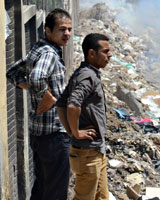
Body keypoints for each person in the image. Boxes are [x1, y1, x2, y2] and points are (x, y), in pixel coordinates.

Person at [6, 8, 72, 200]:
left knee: (42, 188)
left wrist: (34, 90)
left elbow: (13, 73)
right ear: (48, 31)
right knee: (56, 192)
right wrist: (47, 97)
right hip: (54, 134)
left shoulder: (38, 50)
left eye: (68, 29)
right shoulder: (49, 54)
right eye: (61, 29)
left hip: (39, 135)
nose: (66, 33)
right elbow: (36, 77)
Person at [56, 33, 112, 200]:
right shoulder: (87, 77)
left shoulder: (85, 73)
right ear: (91, 53)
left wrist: (71, 131)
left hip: (95, 151)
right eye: (105, 51)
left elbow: (61, 103)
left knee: (101, 197)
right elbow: (72, 105)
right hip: (87, 154)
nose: (110, 55)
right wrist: (75, 132)